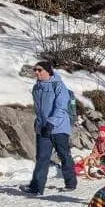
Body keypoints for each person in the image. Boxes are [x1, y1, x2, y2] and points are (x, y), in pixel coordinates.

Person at [26, 61, 77, 195]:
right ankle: (36, 187)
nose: (36, 72)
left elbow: (61, 107)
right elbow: (39, 110)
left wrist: (51, 122)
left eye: (39, 70)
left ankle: (70, 183)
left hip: (59, 128)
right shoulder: (36, 88)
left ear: (48, 71)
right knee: (42, 157)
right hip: (43, 128)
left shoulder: (58, 85)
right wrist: (39, 123)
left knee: (64, 155)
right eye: (35, 70)